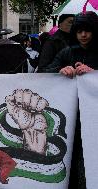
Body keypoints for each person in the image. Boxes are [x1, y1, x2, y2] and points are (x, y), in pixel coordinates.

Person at [42, 11, 98, 189]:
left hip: (94, 118)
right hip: (71, 117)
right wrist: (60, 70)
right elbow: (43, 72)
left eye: (87, 31)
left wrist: (94, 73)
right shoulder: (66, 52)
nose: (83, 35)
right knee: (70, 158)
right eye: (79, 31)